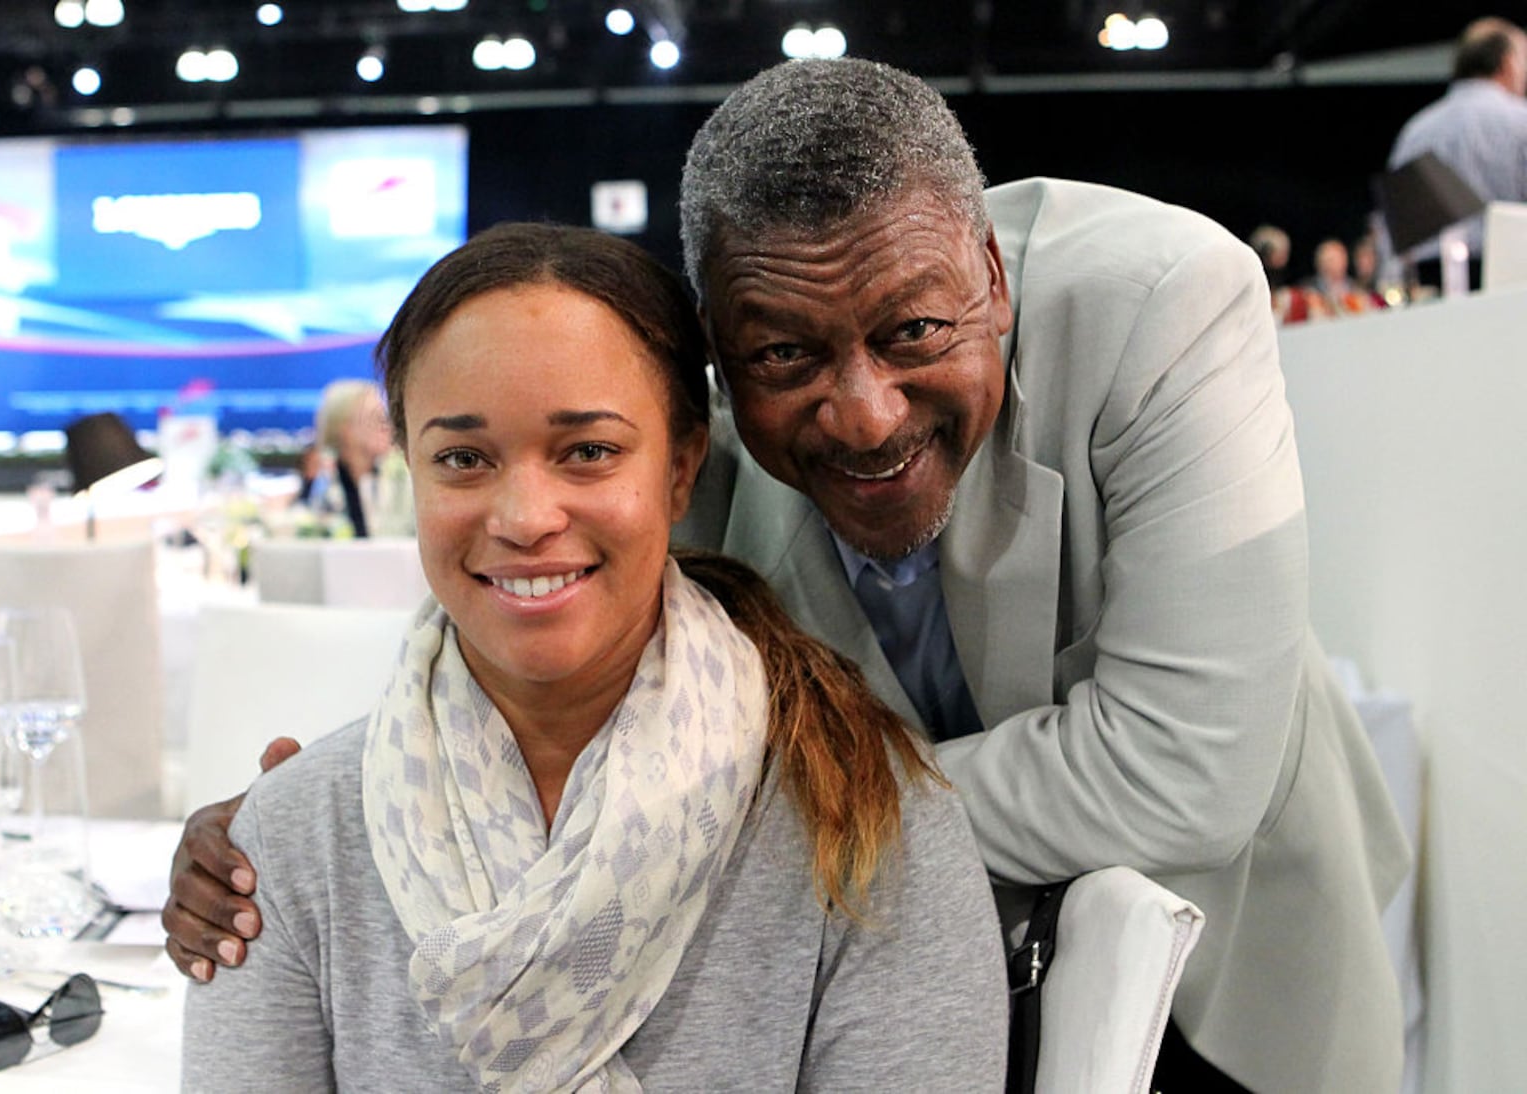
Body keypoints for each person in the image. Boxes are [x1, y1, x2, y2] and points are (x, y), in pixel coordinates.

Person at [168, 59, 1410, 1091]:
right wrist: (335, 810)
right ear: (714, 358)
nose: (864, 415)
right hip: (862, 964)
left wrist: (838, 824)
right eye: (785, 352)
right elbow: (524, 605)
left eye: (916, 330)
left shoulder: (1163, 303)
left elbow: (1187, 767)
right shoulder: (688, 442)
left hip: (1222, 965)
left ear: (991, 274)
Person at [178, 222, 1008, 1090]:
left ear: (681, 470)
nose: (525, 516)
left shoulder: (869, 818)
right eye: (463, 458)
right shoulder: (290, 839)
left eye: (589, 452)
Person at [1387, 16, 1527, 287]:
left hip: (1431, 284)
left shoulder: (1414, 132)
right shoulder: (1520, 121)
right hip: (1511, 280)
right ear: (1508, 63)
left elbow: (1396, 231)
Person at [311, 377, 415, 537]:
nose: (387, 427)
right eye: (376, 418)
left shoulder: (403, 477)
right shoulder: (320, 479)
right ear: (344, 428)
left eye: (386, 418)